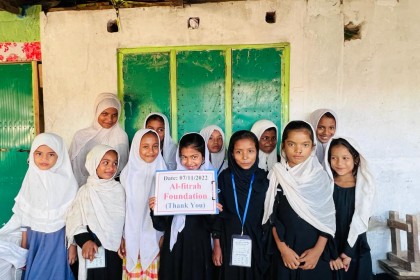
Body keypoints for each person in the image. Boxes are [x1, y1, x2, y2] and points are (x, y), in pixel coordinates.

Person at [263, 120, 336, 280]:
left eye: (304, 145)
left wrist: (317, 251)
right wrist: (283, 249)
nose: (298, 150)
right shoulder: (277, 174)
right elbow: (271, 217)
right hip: (285, 252)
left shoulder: (320, 177)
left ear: (312, 147)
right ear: (283, 146)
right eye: (291, 144)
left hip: (314, 251)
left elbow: (328, 217)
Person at [0, 133, 78, 280]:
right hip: (34, 238)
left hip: (58, 240)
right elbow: (24, 215)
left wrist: (72, 246)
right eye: (39, 153)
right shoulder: (30, 179)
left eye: (51, 154)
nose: (44, 159)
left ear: (60, 156)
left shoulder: (68, 183)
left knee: (57, 273)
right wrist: (24, 246)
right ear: (32, 155)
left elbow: (74, 218)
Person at [149, 133, 218, 280]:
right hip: (175, 244)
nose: (189, 162)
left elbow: (213, 225)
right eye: (184, 157)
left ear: (203, 157)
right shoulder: (170, 183)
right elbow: (161, 225)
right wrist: (155, 209)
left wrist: (213, 210)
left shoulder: (210, 183)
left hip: (198, 245)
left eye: (194, 157)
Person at [212, 130, 269, 280]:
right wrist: (216, 245)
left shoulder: (264, 178)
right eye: (239, 152)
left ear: (257, 152)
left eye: (250, 151)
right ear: (231, 154)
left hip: (257, 241)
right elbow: (218, 215)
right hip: (228, 240)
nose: (245, 157)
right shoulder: (224, 178)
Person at [66, 145, 125, 280]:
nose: (111, 167)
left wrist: (122, 237)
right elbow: (75, 220)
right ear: (93, 164)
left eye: (115, 163)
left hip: (114, 249)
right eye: (105, 162)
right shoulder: (85, 191)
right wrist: (85, 241)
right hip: (92, 247)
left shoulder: (118, 190)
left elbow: (122, 219)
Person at [120, 129, 167, 279]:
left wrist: (164, 234)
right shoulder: (126, 176)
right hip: (130, 239)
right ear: (136, 148)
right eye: (145, 146)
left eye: (155, 146)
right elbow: (121, 210)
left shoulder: (165, 174)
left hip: (155, 240)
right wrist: (120, 236)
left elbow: (169, 211)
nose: (151, 151)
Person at [327, 137, 375, 280]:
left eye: (345, 158)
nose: (339, 163)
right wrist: (332, 253)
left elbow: (362, 221)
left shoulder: (365, 187)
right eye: (334, 158)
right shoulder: (326, 185)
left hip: (356, 246)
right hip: (330, 247)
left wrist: (348, 253)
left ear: (355, 159)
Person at [69, 92, 129, 186]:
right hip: (80, 186)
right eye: (105, 114)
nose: (109, 119)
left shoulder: (121, 136)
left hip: (110, 188)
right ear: (97, 112)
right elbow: (73, 167)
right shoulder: (80, 136)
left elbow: (122, 169)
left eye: (114, 115)